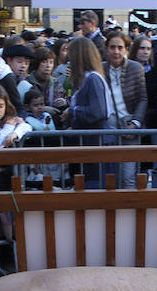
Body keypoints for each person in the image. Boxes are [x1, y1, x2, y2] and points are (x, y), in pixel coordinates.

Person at [61, 37, 110, 187]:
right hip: (88, 145)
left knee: (93, 187)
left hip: (94, 146)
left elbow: (98, 112)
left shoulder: (93, 79)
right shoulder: (88, 79)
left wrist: (72, 111)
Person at [102, 31, 147, 186]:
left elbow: (143, 98)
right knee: (110, 177)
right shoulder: (100, 70)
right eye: (112, 47)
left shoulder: (136, 68)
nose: (116, 51)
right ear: (106, 49)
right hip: (108, 132)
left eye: (120, 47)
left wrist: (135, 123)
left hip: (130, 129)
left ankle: (129, 209)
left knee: (128, 176)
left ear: (126, 49)